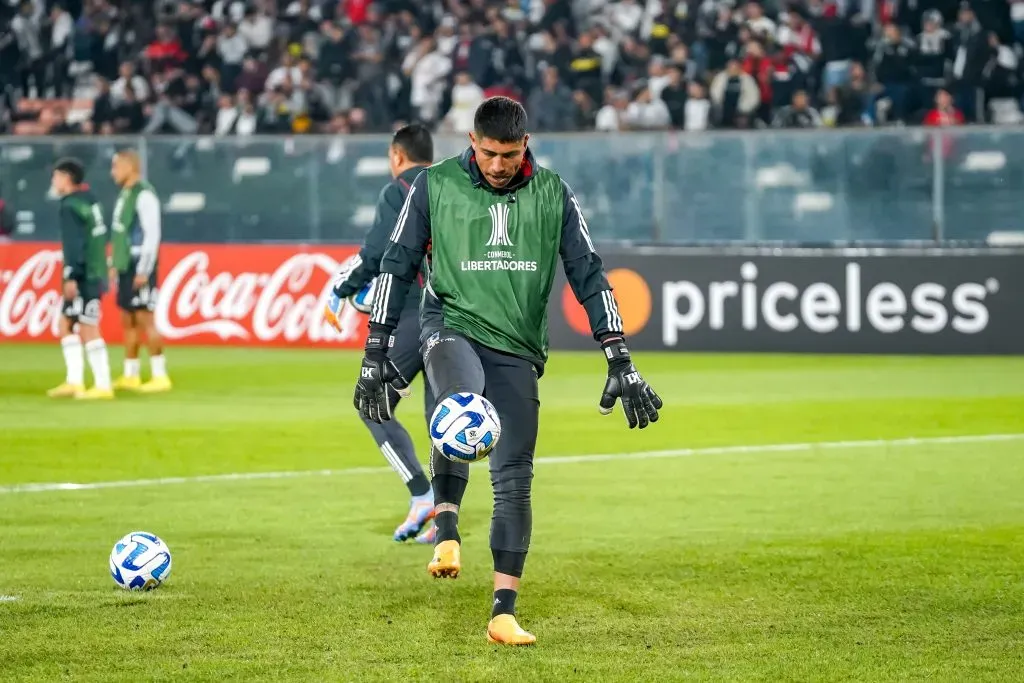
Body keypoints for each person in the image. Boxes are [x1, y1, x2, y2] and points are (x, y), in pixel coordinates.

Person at [353, 97, 663, 646]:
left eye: (510, 154)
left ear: (527, 146)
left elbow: (589, 274)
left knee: (515, 477)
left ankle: (503, 612)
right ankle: (446, 523)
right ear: (472, 143)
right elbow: (396, 262)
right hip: (450, 323)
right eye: (490, 153)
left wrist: (620, 356)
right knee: (460, 409)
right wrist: (375, 351)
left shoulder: (554, 194)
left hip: (518, 345)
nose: (499, 165)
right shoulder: (435, 186)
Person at [327, 123, 437, 544]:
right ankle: (445, 520)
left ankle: (421, 493)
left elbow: (377, 251)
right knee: (440, 418)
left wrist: (342, 288)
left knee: (371, 402)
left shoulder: (399, 191)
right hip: (453, 316)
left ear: (397, 156)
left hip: (412, 314)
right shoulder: (449, 186)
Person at [47, 158, 114, 400]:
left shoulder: (69, 205)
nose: (53, 181)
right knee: (66, 323)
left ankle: (103, 384)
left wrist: (70, 275)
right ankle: (74, 381)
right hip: (95, 270)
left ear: (66, 177)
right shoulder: (90, 199)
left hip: (85, 274)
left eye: (55, 176)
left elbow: (75, 244)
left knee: (87, 326)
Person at [109, 150, 172, 393]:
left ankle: (160, 375)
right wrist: (115, 262)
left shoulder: (144, 195)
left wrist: (145, 268)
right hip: (126, 264)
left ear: (129, 167)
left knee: (146, 319)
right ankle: (131, 374)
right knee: (128, 320)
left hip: (139, 264)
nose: (112, 172)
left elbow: (152, 234)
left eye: (116, 167)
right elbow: (120, 232)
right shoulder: (126, 194)